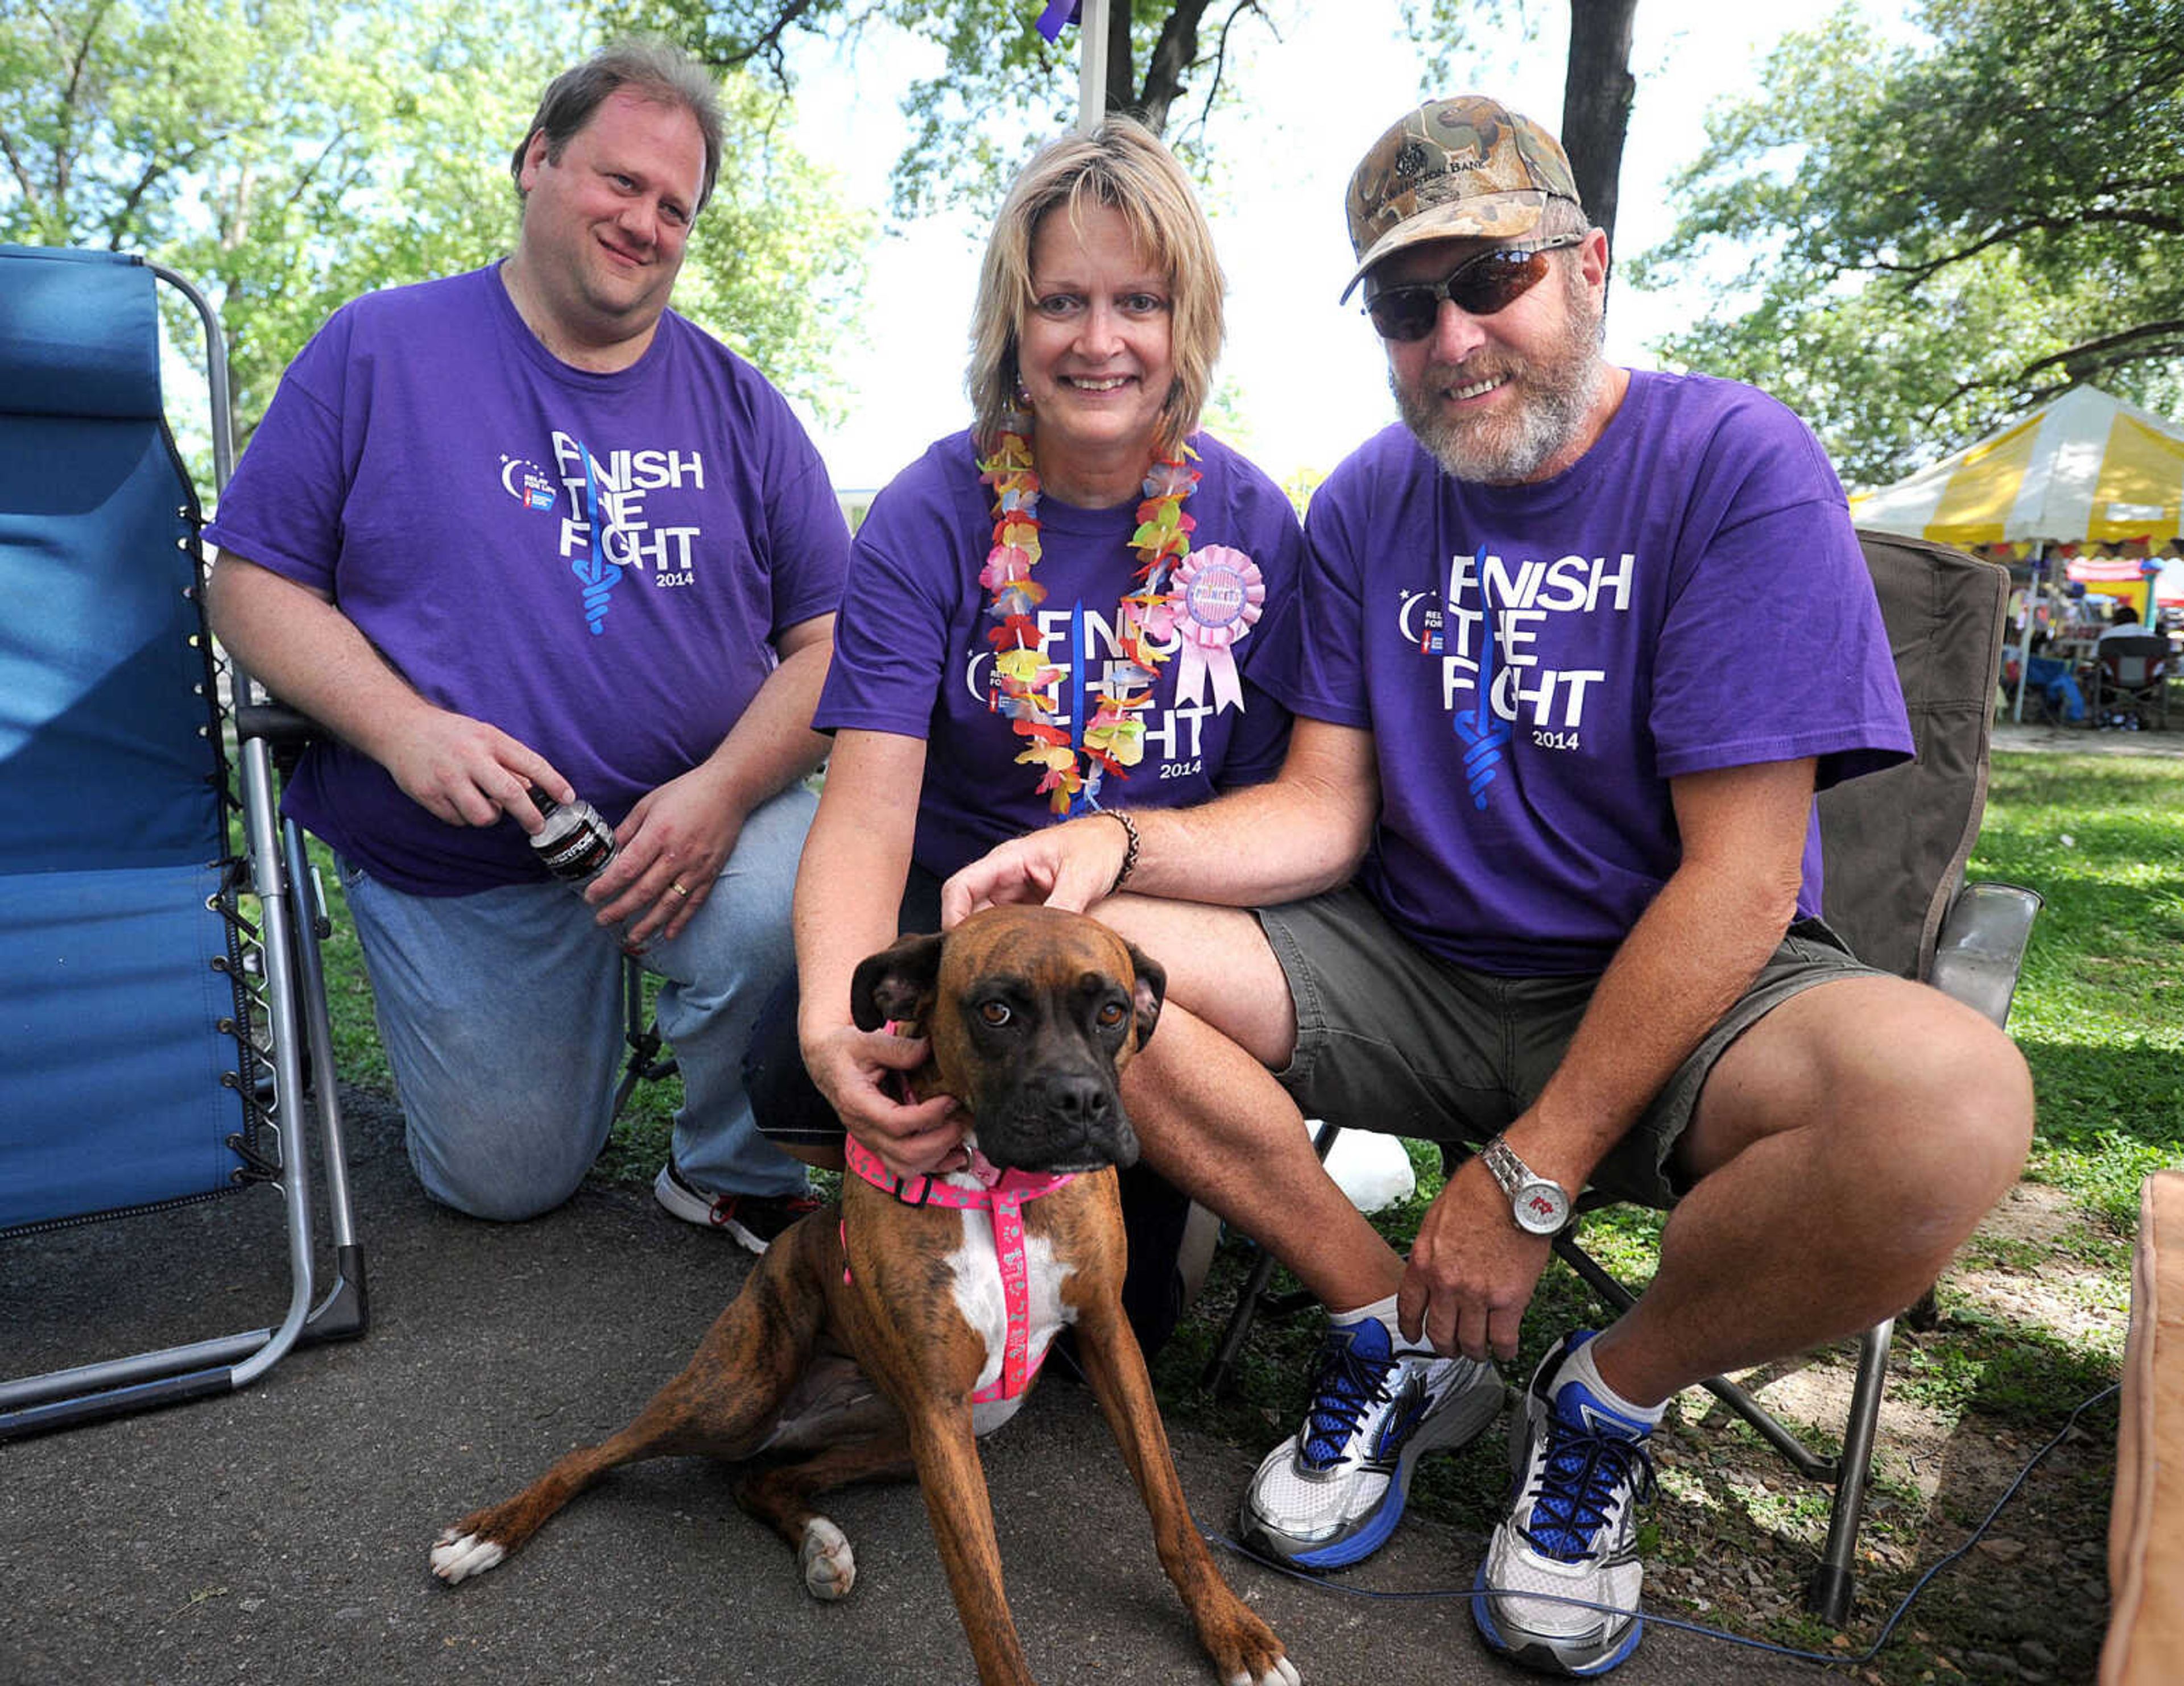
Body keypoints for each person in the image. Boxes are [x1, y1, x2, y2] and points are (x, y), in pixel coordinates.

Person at [941, 96, 2034, 1677]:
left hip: (1685, 984)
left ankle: (1610, 1394)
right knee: (1100, 971)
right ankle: (1389, 1327)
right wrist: (1123, 842)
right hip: (1415, 960)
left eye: (1492, 279)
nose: (1453, 335)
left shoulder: (1734, 460)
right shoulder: (1376, 499)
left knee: (1954, 1101)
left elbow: (1735, 887)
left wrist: (1528, 1178)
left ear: (1588, 264)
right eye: (1405, 302)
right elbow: (1322, 810)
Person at [204, 40, 847, 1250]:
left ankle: (726, 1170)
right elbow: (250, 587)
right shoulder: (378, 348)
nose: (646, 222)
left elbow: (831, 643)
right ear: (535, 162)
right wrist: (404, 729)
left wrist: (720, 792)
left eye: (676, 206)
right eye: (620, 181)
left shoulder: (743, 403)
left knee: (801, 887)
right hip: (468, 861)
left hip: (697, 836)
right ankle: (569, 1023)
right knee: (502, 1180)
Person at [742, 116, 1304, 1353]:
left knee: (1127, 1328)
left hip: (1157, 944)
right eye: (1062, 301)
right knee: (801, 1052)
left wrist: (1126, 855)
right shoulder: (930, 512)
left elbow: (1293, 821)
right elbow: (870, 805)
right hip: (975, 963)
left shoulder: (1255, 519)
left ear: (1187, 321)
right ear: (1014, 324)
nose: (1100, 341)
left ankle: (1185, 1189)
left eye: (1139, 302)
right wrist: (837, 1039)